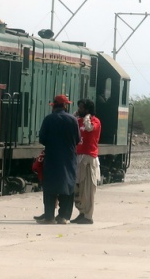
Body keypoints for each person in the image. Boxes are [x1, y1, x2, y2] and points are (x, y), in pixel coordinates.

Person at [36, 94, 80, 225]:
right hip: (68, 158)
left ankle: (49, 217)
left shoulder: (49, 119)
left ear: (54, 106)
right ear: (65, 106)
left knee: (49, 186)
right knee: (68, 185)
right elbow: (78, 139)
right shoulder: (73, 120)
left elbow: (42, 139)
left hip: (52, 157)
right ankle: (64, 217)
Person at [71, 99, 101, 224]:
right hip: (78, 157)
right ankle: (81, 212)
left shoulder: (95, 121)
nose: (79, 110)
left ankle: (88, 216)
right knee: (78, 188)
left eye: (82, 108)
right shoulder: (78, 121)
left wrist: (87, 117)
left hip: (89, 159)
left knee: (88, 189)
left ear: (88, 109)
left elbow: (89, 128)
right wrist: (74, 115)